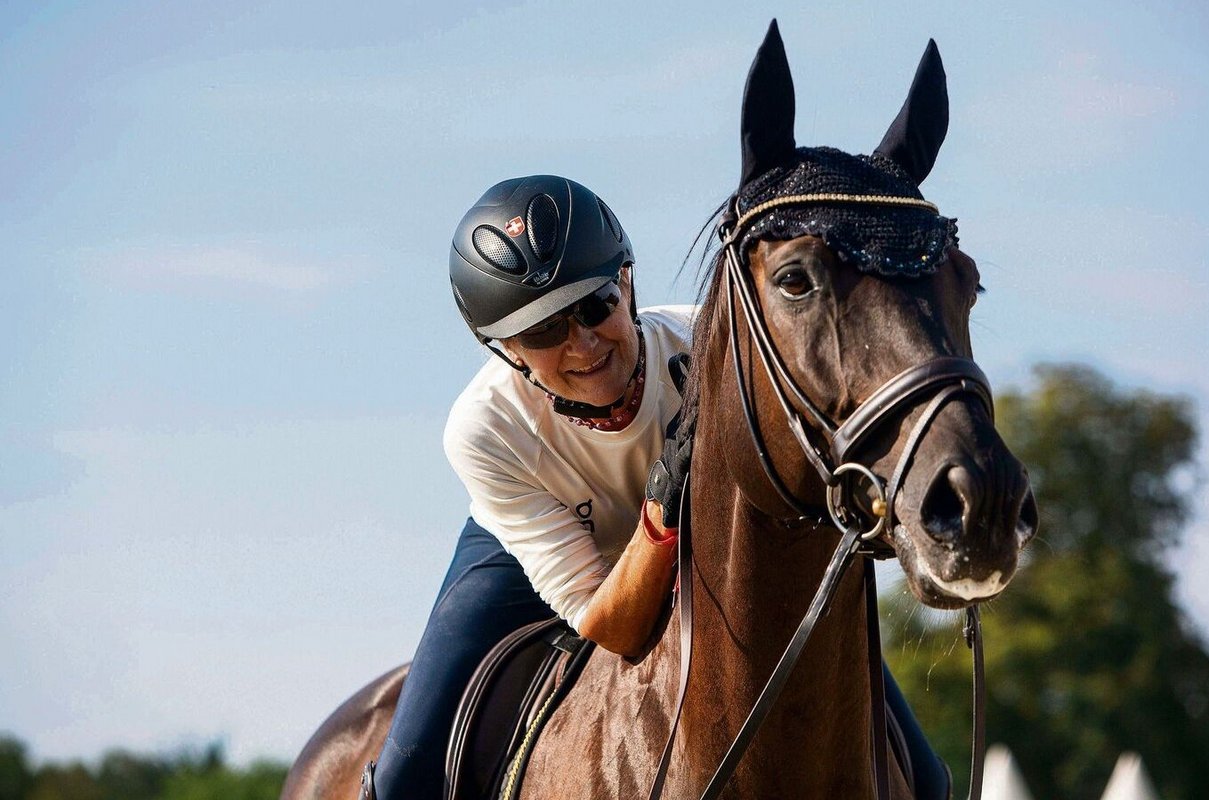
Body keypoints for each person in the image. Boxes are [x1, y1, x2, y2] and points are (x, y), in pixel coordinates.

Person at [361, 174, 949, 799]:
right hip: (524, 558)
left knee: (928, 780)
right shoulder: (481, 430)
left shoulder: (715, 350)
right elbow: (610, 627)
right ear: (503, 349)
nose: (582, 344)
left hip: (701, 553)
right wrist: (661, 510)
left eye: (596, 306)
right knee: (403, 780)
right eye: (542, 333)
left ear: (629, 280)